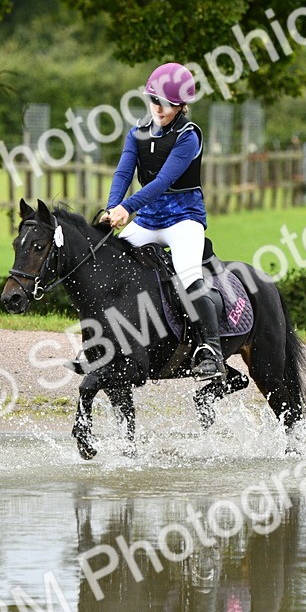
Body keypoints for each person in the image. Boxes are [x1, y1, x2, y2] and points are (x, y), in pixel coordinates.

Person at [103, 63, 223, 381]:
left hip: (184, 220)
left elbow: (162, 182)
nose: (158, 108)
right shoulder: (137, 133)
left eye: (166, 103)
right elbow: (123, 173)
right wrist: (111, 207)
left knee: (187, 275)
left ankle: (211, 351)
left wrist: (126, 209)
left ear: (181, 105)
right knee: (109, 266)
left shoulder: (189, 136)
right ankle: (105, 341)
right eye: (154, 100)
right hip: (150, 220)